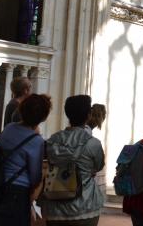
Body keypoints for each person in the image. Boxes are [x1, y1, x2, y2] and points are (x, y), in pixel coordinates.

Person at [39, 95, 106, 226]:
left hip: (55, 206)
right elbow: (98, 166)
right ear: (88, 115)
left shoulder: (53, 140)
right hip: (85, 206)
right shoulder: (93, 143)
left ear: (67, 114)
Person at [0, 94, 49, 225]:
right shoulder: (36, 141)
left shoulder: (9, 128)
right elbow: (34, 177)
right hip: (18, 194)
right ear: (43, 117)